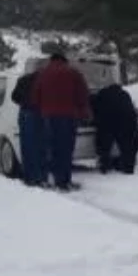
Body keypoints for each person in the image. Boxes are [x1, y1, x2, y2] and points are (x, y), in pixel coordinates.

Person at [31, 53, 91, 192]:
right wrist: (84, 112)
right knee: (67, 149)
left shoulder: (43, 74)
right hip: (70, 116)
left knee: (53, 148)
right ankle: (65, 180)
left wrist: (41, 111)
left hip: (49, 117)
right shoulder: (73, 72)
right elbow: (82, 94)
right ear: (65, 61)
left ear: (51, 60)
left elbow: (35, 96)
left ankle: (58, 181)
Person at [90, 83, 138, 175]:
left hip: (109, 120)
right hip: (128, 119)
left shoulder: (102, 94)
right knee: (128, 144)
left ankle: (105, 165)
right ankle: (129, 167)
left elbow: (96, 109)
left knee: (105, 143)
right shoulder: (125, 94)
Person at [10, 69, 46, 186]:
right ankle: (41, 176)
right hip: (40, 114)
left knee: (27, 146)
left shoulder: (23, 79)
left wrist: (24, 102)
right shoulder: (45, 81)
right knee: (41, 146)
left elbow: (14, 97)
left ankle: (29, 177)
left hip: (25, 113)